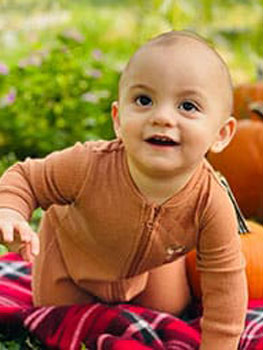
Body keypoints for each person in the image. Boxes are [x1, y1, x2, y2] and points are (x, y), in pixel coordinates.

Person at [0, 30, 247, 349]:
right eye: (144, 100)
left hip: (150, 269)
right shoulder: (88, 165)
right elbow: (26, 177)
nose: (161, 117)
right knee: (60, 319)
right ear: (118, 119)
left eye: (187, 106)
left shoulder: (211, 201)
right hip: (71, 266)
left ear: (222, 133)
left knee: (173, 310)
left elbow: (225, 281)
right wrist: (9, 210)